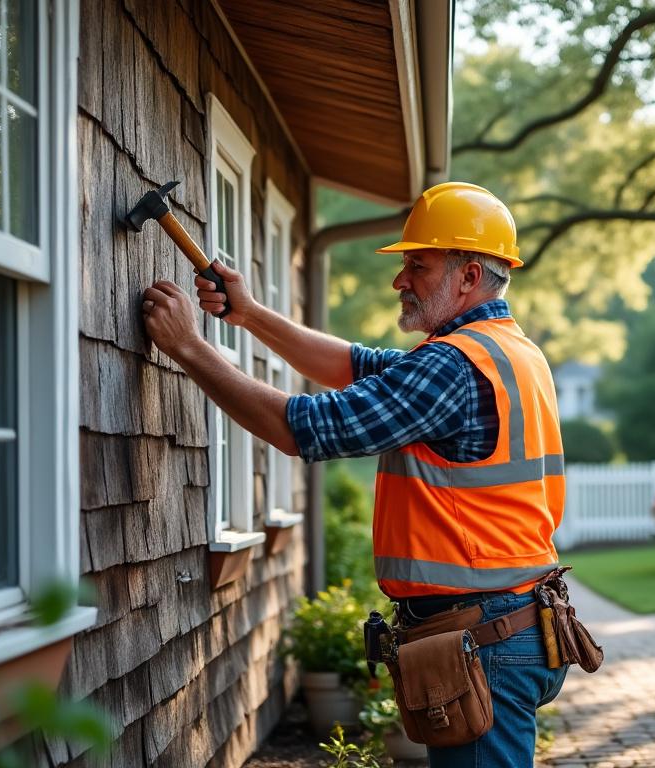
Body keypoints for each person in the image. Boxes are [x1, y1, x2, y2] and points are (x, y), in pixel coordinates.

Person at [140, 181, 568, 767]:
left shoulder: (452, 365)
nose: (400, 281)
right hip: (512, 622)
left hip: (484, 634)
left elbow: (303, 427)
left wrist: (191, 348)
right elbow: (356, 365)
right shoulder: (508, 351)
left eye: (417, 265)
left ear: (468, 276)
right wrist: (252, 315)